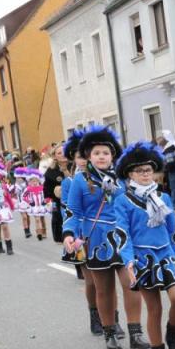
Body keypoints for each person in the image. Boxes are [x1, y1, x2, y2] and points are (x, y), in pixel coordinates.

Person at [63, 126, 145, 349]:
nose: (101, 156)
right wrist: (69, 234)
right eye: (97, 153)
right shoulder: (80, 181)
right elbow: (73, 212)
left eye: (106, 153)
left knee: (132, 283)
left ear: (112, 156)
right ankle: (109, 332)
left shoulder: (123, 179)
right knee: (104, 289)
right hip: (95, 238)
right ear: (89, 156)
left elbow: (133, 205)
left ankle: (136, 332)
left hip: (121, 237)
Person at [114, 142, 175, 349]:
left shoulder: (163, 196)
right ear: (129, 175)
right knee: (154, 309)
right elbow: (122, 233)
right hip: (142, 259)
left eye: (148, 170)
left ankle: (173, 334)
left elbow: (173, 232)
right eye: (139, 171)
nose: (145, 174)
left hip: (165, 255)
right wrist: (129, 261)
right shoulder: (123, 201)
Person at [61, 129, 104, 336]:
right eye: (80, 157)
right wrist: (72, 235)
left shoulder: (104, 177)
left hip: (103, 233)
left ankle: (111, 318)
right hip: (81, 233)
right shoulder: (72, 182)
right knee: (92, 280)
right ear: (74, 159)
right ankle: (94, 314)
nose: (84, 160)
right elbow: (71, 210)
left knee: (107, 280)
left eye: (85, 156)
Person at [44, 143, 68, 242]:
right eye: (59, 153)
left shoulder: (75, 165)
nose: (62, 154)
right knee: (57, 216)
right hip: (58, 201)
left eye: (64, 152)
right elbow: (47, 189)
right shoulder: (51, 171)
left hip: (74, 200)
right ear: (55, 156)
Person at [158, 130, 175, 210]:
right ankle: (174, 202)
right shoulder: (169, 147)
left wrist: (165, 167)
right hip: (171, 170)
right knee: (173, 187)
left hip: (173, 170)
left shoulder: (170, 148)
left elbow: (171, 162)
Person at [23, 168, 52, 240]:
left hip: (42, 206)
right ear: (29, 182)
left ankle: (44, 232)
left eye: (36, 181)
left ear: (39, 181)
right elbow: (24, 197)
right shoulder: (28, 189)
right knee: (37, 219)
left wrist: (45, 201)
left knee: (42, 219)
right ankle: (39, 233)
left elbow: (49, 196)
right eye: (32, 181)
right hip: (34, 207)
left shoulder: (42, 188)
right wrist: (30, 202)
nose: (34, 182)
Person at [12, 167, 32, 239]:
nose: (18, 178)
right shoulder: (15, 185)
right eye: (17, 177)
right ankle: (26, 231)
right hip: (20, 203)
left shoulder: (27, 183)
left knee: (28, 217)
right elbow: (11, 191)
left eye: (20, 177)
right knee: (24, 217)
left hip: (27, 202)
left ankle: (28, 229)